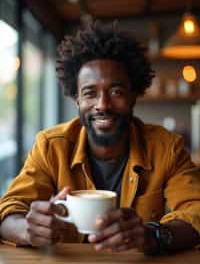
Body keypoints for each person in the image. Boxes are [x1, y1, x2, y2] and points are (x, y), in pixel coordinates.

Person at [0, 20, 200, 255]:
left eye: (116, 92)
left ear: (134, 95)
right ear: (77, 99)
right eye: (90, 93)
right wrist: (28, 229)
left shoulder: (167, 147)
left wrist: (152, 234)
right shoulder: (50, 146)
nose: (103, 105)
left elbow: (196, 211)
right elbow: (8, 213)